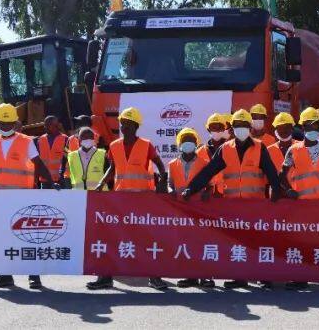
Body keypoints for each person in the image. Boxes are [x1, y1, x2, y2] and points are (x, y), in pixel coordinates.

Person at [182, 109, 284, 289]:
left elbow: (270, 171)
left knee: (258, 241)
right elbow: (209, 171)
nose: (241, 128)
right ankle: (240, 277)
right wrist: (191, 188)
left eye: (244, 125)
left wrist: (276, 190)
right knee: (239, 243)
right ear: (232, 128)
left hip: (255, 204)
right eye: (237, 125)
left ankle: (264, 276)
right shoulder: (225, 149)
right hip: (234, 206)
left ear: (249, 127)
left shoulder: (260, 147)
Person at [88, 107, 168, 291]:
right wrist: (101, 183)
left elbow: (159, 164)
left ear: (136, 126)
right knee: (112, 238)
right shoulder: (114, 145)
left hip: (142, 200)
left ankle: (154, 277)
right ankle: (105, 277)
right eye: (122, 123)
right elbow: (112, 168)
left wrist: (163, 181)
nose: (124, 127)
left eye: (128, 124)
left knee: (147, 239)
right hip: (121, 201)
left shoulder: (146, 145)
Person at [0, 104, 55, 289]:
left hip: (22, 195)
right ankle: (5, 276)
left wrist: (51, 183)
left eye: (8, 123)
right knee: (3, 236)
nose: (5, 126)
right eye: (2, 123)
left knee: (26, 236)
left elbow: (38, 164)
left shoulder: (26, 141)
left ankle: (34, 276)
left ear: (15, 123)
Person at [279, 114, 319, 291]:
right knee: (302, 243)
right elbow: (282, 174)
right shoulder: (293, 150)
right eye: (309, 126)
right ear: (303, 127)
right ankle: (301, 277)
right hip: (302, 206)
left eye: (316, 126)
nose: (313, 129)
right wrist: (288, 190)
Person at [168, 128, 214, 289]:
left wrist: (208, 193)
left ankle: (206, 276)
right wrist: (170, 191)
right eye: (185, 140)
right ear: (179, 144)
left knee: (202, 242)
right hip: (181, 211)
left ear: (196, 144)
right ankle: (190, 276)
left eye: (191, 140)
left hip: (199, 209)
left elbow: (210, 185)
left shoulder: (204, 163)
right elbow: (170, 184)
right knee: (185, 243)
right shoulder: (172, 164)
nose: (188, 143)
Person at [36, 116, 74, 184]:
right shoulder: (40, 139)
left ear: (56, 126)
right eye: (45, 125)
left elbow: (68, 159)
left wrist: (62, 176)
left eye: (48, 125)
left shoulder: (65, 139)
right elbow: (37, 160)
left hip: (60, 180)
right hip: (44, 180)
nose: (45, 127)